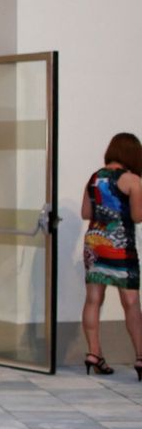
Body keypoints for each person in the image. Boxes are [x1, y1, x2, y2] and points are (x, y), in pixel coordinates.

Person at [80, 132, 142, 377]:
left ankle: (94, 353)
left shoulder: (95, 178)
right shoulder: (132, 180)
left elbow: (86, 213)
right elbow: (137, 216)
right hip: (120, 245)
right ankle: (140, 356)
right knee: (131, 302)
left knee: (93, 300)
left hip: (95, 243)